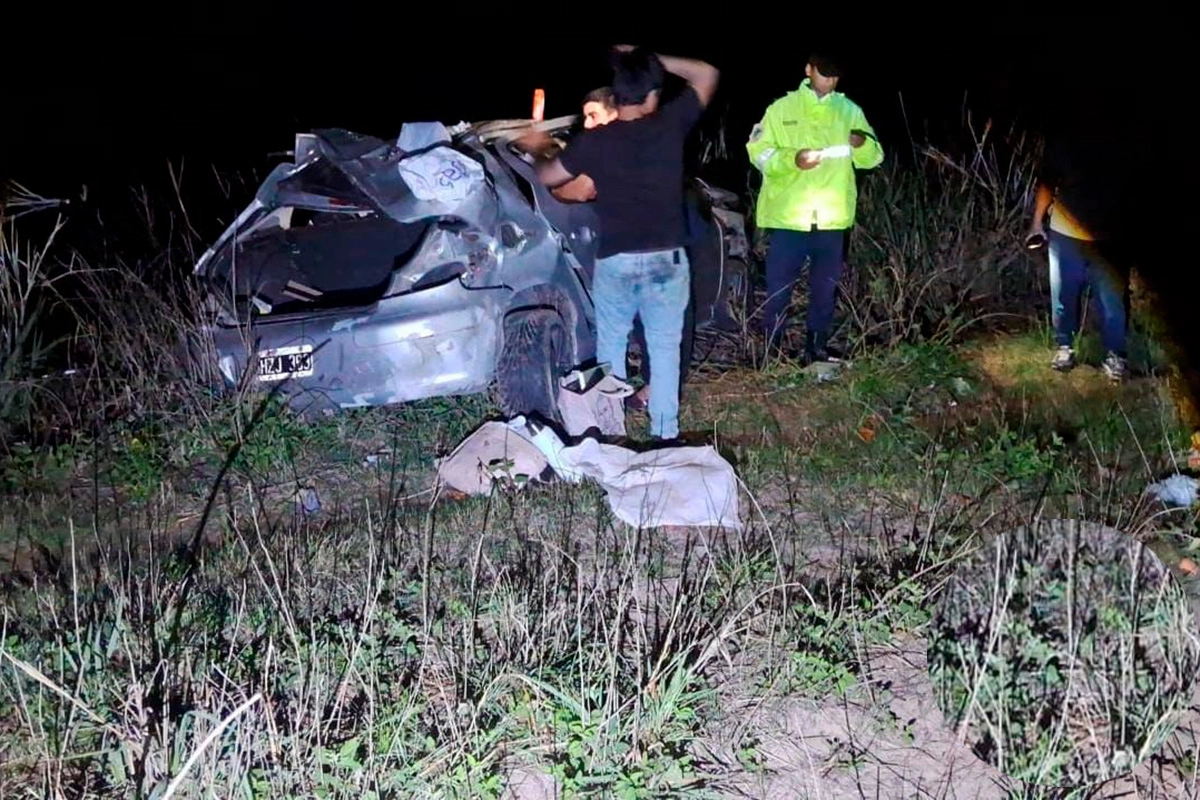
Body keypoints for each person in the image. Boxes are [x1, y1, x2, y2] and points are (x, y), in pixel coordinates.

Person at [528, 46, 720, 442]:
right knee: (665, 350)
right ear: (653, 95)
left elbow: (549, 176)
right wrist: (653, 59)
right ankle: (665, 435)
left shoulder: (595, 143)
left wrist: (535, 146)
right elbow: (706, 73)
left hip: (615, 262)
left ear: (616, 97)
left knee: (610, 350)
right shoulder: (669, 125)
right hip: (666, 261)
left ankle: (609, 434)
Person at [746, 51, 883, 364]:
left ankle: (816, 349)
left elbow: (874, 158)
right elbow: (758, 152)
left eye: (835, 75)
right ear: (808, 69)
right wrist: (792, 160)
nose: (831, 80)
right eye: (825, 73)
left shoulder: (850, 111)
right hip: (788, 220)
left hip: (832, 221)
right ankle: (770, 353)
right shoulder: (781, 109)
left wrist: (862, 144)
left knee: (825, 291)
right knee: (778, 291)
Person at [1025, 109, 1131, 381]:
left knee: (1112, 304)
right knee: (1063, 297)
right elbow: (1047, 182)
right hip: (1065, 234)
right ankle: (1064, 347)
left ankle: (1115, 357)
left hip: (1109, 239)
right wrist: (1036, 223)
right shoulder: (1064, 140)